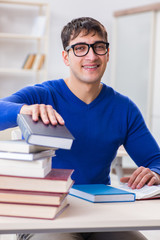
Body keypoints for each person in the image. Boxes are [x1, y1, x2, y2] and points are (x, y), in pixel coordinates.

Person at [0, 17, 160, 240]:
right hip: (47, 215)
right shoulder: (42, 94)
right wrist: (23, 111)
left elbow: (156, 159)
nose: (91, 56)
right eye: (80, 48)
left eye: (99, 47)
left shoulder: (124, 108)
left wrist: (155, 173)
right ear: (66, 56)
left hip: (100, 214)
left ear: (107, 54)